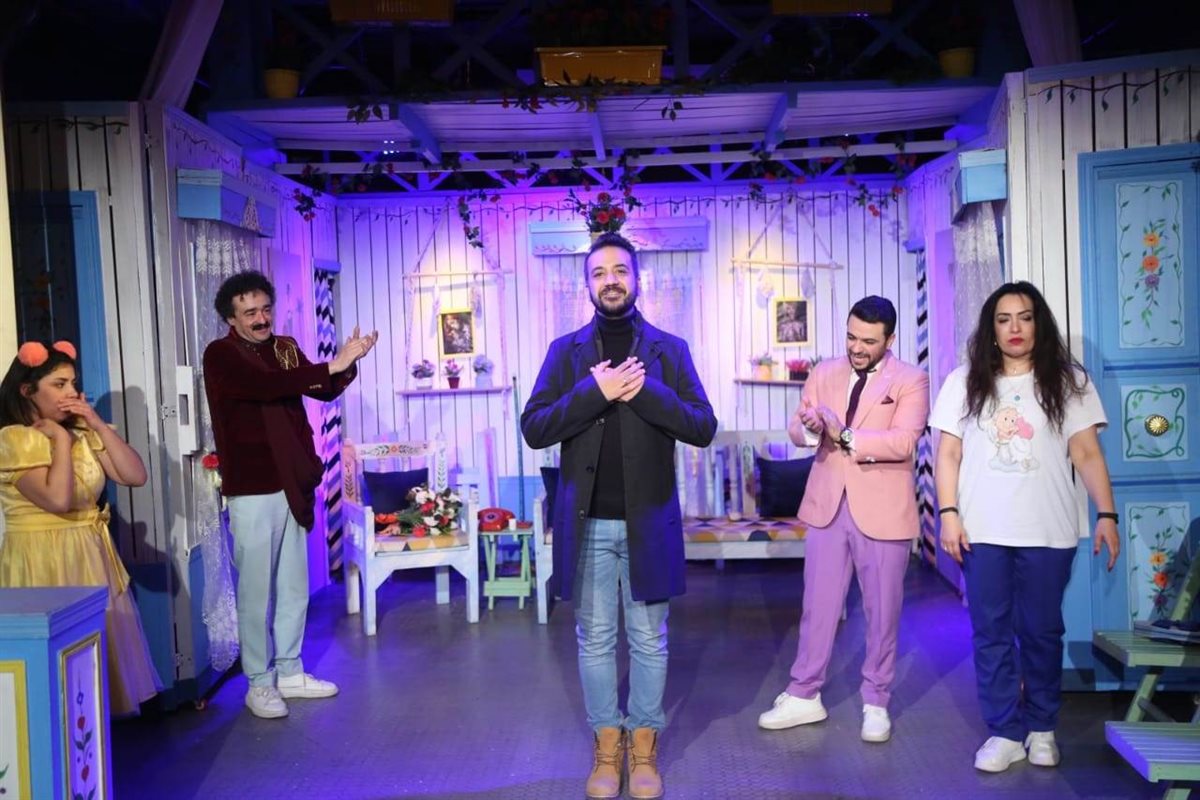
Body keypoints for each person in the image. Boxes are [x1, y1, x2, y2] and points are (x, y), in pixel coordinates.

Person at [521, 233, 717, 800]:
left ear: (637, 278)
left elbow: (702, 426)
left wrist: (642, 391)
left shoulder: (669, 350)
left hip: (648, 523)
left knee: (649, 640)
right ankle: (607, 748)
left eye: (621, 270)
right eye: (600, 272)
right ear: (587, 283)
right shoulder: (565, 352)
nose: (611, 280)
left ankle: (644, 747)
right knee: (595, 640)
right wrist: (597, 391)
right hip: (585, 526)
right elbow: (535, 428)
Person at [929, 281, 1119, 773]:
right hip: (982, 532)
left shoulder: (1069, 382)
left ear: (1039, 324)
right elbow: (947, 454)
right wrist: (947, 514)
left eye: (1025, 317)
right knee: (990, 634)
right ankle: (1004, 732)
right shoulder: (963, 382)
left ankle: (1042, 728)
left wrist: (1107, 514)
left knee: (1042, 633)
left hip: (1048, 531)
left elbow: (1086, 453)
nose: (1015, 328)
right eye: (1004, 319)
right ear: (991, 329)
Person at [203, 270, 377, 719]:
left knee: (294, 586)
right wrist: (329, 365)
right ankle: (259, 683)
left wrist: (348, 362)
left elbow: (322, 388)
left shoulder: (284, 348)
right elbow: (264, 386)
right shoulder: (221, 354)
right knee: (256, 592)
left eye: (265, 309)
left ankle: (291, 671)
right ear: (231, 318)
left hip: (292, 482)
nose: (261, 319)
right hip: (252, 486)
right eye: (250, 313)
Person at [758, 295, 929, 744]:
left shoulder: (911, 379)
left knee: (882, 612)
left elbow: (903, 442)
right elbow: (798, 429)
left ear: (889, 340)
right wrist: (810, 427)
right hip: (827, 505)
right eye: (851, 337)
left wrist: (844, 433)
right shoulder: (824, 372)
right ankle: (804, 693)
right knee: (817, 607)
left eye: (868, 341)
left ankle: (876, 700)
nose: (856, 347)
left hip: (884, 511)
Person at [0, 340, 161, 716]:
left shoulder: (83, 433)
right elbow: (57, 500)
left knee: (96, 663)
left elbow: (135, 475)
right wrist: (59, 440)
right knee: (54, 671)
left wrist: (96, 424)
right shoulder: (16, 439)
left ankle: (92, 746)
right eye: (59, 384)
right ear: (27, 390)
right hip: (42, 559)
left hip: (89, 552)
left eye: (73, 383)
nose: (71, 392)